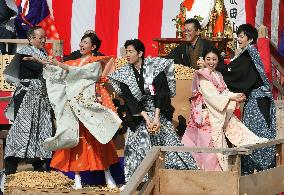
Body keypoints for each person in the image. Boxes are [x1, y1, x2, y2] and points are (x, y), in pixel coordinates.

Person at [109, 39, 199, 185]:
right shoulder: (124, 74)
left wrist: (156, 118)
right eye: (126, 52)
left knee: (168, 140)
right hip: (139, 115)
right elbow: (130, 100)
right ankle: (137, 182)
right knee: (134, 144)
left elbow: (161, 93)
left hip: (158, 112)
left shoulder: (155, 68)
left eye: (131, 52)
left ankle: (180, 177)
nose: (127, 55)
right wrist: (147, 118)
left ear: (140, 53)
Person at [43, 33, 122, 190]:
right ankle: (77, 178)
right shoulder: (75, 62)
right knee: (77, 141)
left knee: (99, 139)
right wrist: (43, 62)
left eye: (85, 43)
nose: (81, 45)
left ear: (93, 47)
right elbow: (62, 73)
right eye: (81, 42)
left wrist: (60, 65)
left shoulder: (95, 63)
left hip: (90, 106)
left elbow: (78, 72)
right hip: (76, 108)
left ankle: (108, 175)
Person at [182, 47, 267, 171]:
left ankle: (220, 175)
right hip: (206, 115)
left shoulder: (218, 75)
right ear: (204, 60)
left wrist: (234, 96)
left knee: (219, 145)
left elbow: (224, 92)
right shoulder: (202, 75)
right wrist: (232, 98)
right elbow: (212, 97)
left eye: (214, 59)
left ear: (218, 60)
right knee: (208, 147)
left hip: (215, 112)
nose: (211, 62)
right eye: (208, 59)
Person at [216, 24, 276, 174]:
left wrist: (215, 65)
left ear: (250, 38)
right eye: (238, 36)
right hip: (260, 101)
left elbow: (233, 72)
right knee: (259, 135)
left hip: (257, 103)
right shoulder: (250, 53)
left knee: (256, 136)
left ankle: (262, 172)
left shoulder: (249, 53)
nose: (238, 38)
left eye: (241, 36)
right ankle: (265, 173)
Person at [3, 26, 53, 175]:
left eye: (45, 37)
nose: (44, 40)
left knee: (40, 130)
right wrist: (46, 63)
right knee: (21, 130)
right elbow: (41, 69)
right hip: (26, 97)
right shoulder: (25, 53)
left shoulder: (42, 53)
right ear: (31, 39)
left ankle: (38, 163)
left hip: (40, 99)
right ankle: (11, 166)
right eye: (40, 37)